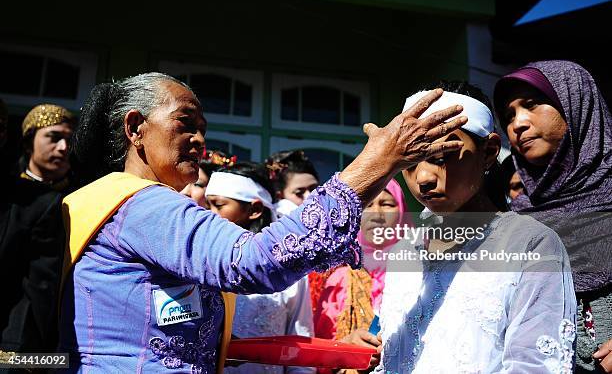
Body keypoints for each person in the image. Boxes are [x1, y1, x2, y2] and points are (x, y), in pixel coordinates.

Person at [60, 72, 467, 373]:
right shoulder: (142, 206)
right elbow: (255, 260)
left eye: (203, 130)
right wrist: (377, 160)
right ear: (135, 129)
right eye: (185, 124)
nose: (201, 141)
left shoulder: (136, 206)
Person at [375, 82, 576, 373]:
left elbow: (534, 365)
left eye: (441, 156)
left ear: (489, 151)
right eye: (410, 161)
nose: (424, 178)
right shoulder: (404, 251)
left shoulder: (531, 245)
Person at [494, 60, 612, 373]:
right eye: (508, 116)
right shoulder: (514, 223)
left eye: (531, 105)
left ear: (576, 105)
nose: (518, 124)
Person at [204, 162, 314, 374]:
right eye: (207, 205)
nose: (209, 214)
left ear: (254, 210)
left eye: (218, 205)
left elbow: (300, 345)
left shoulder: (289, 269)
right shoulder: (201, 265)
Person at [314, 179, 410, 373]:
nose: (376, 214)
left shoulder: (422, 273)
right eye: (367, 205)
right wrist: (346, 347)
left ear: (402, 213)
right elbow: (319, 353)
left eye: (387, 204)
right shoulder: (340, 279)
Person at [0, 103, 67, 357]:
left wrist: (17, 360)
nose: (63, 148)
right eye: (53, 137)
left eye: (69, 139)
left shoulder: (59, 200)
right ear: (28, 143)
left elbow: (35, 297)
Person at [20, 104, 75, 191]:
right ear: (28, 143)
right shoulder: (8, 192)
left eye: (70, 141)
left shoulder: (83, 194)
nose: (64, 147)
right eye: (55, 138)